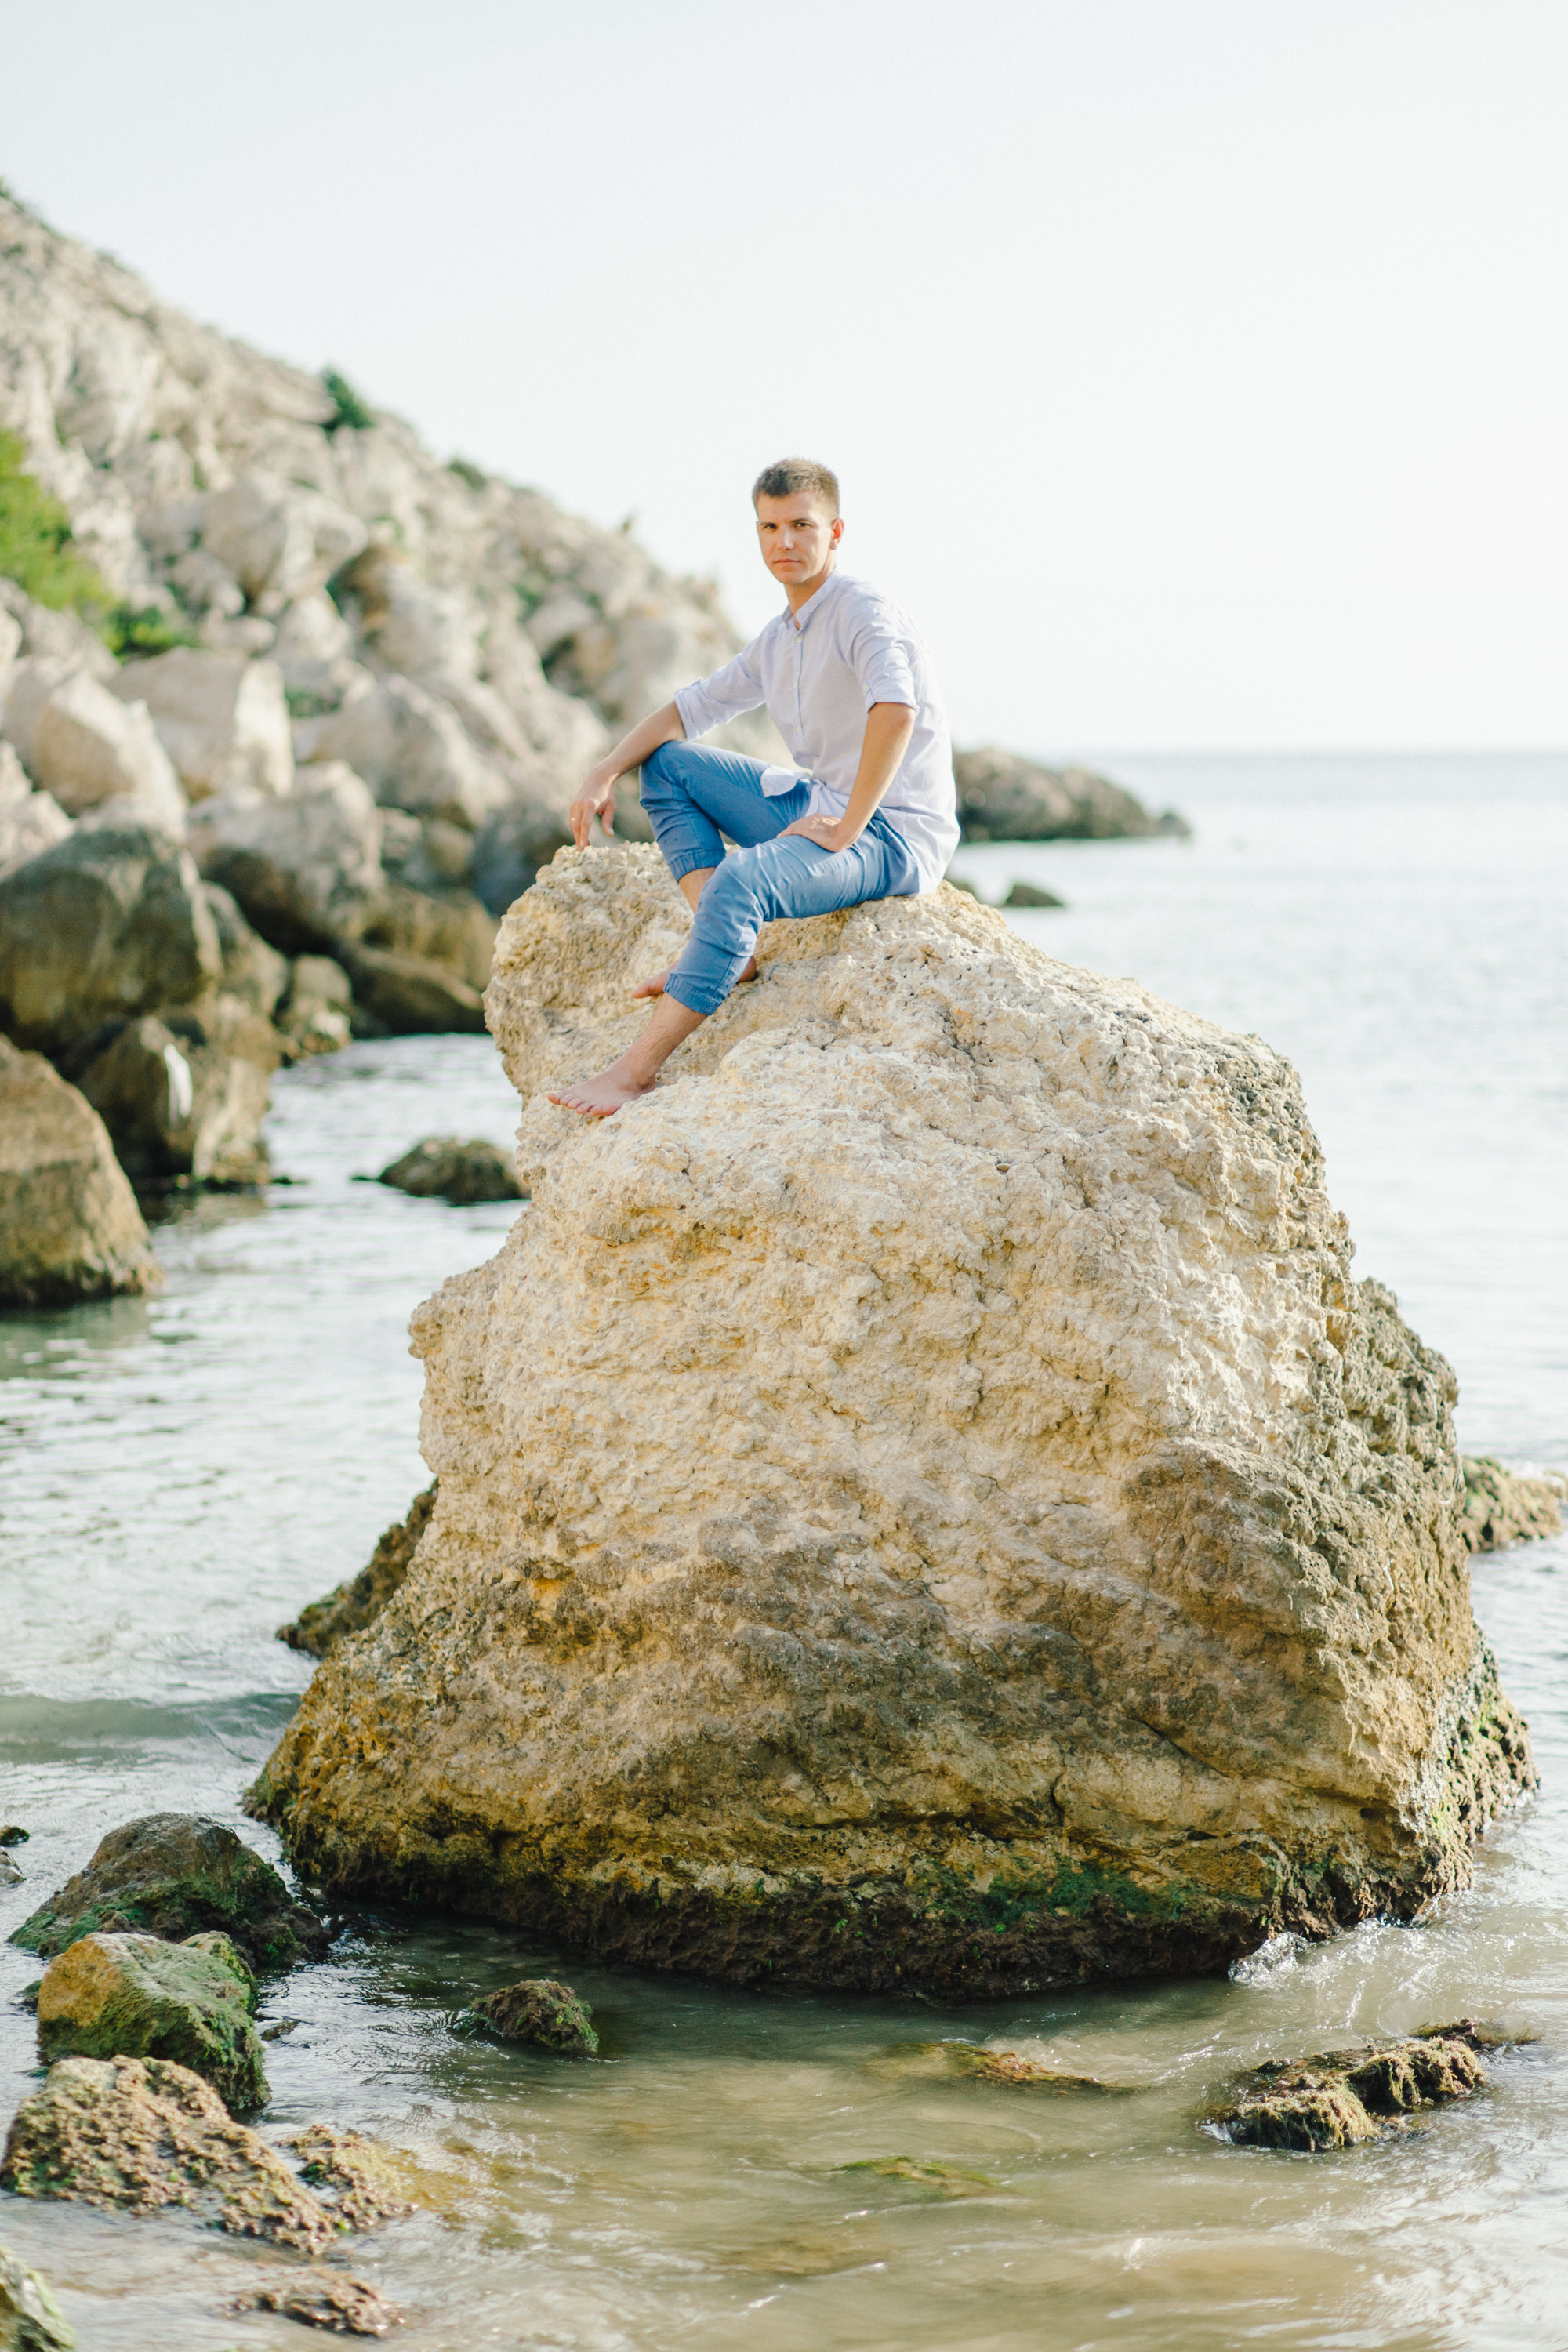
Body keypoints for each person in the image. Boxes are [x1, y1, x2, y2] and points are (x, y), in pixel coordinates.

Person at [547, 456, 958, 1117]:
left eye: (801, 525)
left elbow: (896, 710)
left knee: (744, 882)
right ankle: (729, 950)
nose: (785, 543)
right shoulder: (780, 638)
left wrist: (849, 825)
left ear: (836, 532)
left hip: (892, 833)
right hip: (822, 804)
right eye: (770, 528)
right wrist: (602, 773)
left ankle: (632, 1075)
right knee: (669, 764)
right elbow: (685, 711)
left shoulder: (861, 610)